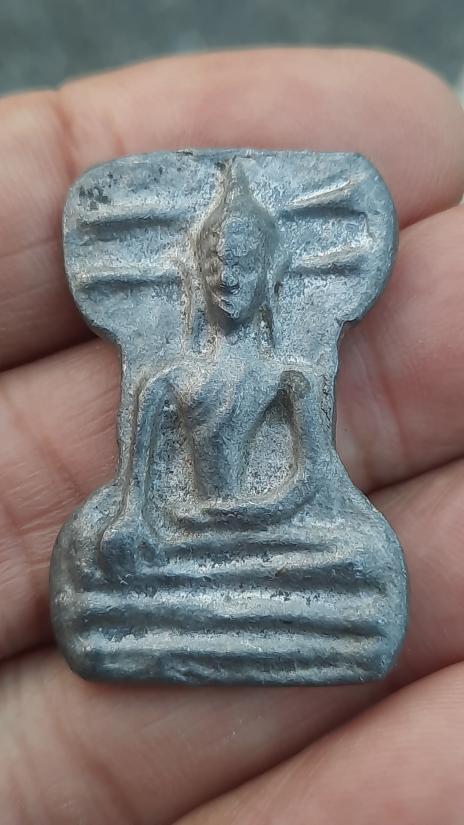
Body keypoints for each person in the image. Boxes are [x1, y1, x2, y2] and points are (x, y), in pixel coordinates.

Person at [1, 47, 464, 823]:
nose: (228, 275)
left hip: (271, 530)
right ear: (194, 274)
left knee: (362, 559)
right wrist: (143, 525)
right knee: (97, 556)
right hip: (183, 531)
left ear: (275, 274)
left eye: (244, 260)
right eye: (215, 260)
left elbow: (311, 483)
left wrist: (253, 516)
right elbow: (137, 501)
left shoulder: (291, 378)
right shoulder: (164, 384)